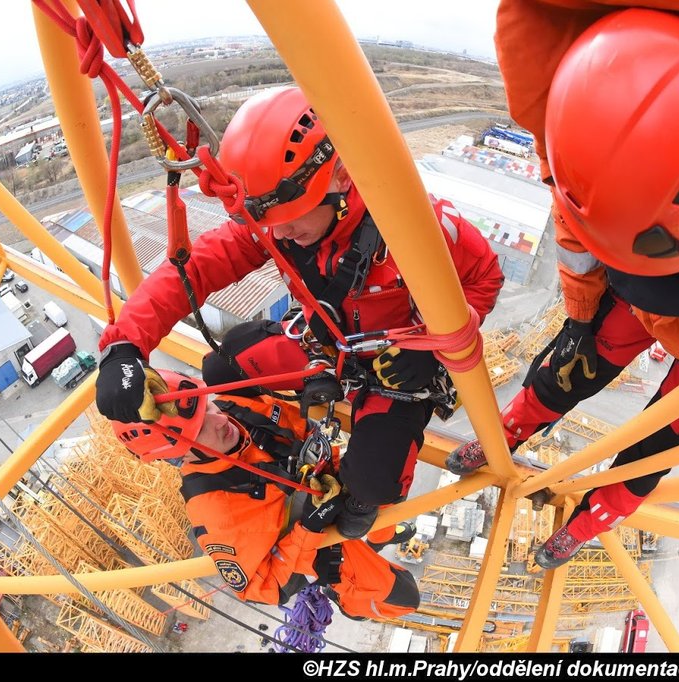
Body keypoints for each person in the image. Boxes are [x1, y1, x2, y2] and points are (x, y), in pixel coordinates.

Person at [448, 2, 679, 569]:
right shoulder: (587, 134)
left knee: (658, 444)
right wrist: (578, 317)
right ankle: (506, 434)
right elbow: (576, 235)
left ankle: (590, 521)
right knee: (574, 363)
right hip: (662, 287)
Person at [96, 86, 503, 540]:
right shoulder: (280, 223)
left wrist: (431, 348)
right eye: (270, 221)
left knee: (370, 483)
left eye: (293, 216)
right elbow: (200, 265)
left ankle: (364, 499)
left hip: (397, 375)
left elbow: (484, 277)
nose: (281, 232)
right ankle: (272, 440)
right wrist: (125, 344)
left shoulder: (416, 224)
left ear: (341, 180)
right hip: (326, 351)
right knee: (223, 361)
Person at [110, 369, 421, 620]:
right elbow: (264, 587)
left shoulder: (241, 408)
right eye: (201, 428)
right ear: (180, 455)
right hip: (312, 545)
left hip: (328, 479)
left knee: (386, 481)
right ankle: (351, 603)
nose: (221, 421)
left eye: (210, 407)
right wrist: (309, 529)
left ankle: (382, 534)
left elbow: (303, 428)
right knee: (403, 596)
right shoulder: (216, 512)